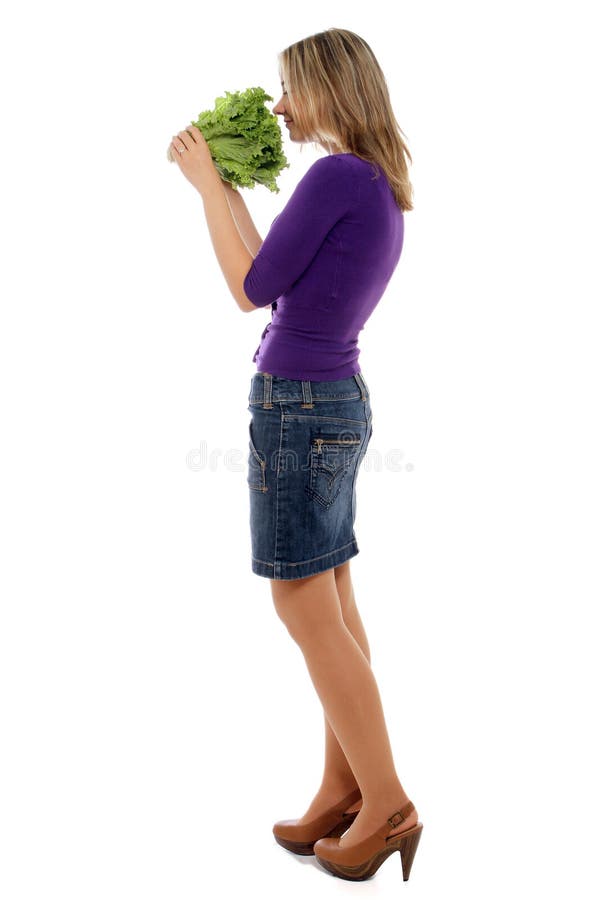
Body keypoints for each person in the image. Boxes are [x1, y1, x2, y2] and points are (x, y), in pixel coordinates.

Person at [169, 27, 422, 883]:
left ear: (328, 87)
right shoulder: (372, 183)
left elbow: (245, 288)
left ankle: (386, 803)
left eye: (290, 89)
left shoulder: (336, 175)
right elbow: (269, 273)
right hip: (334, 403)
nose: (280, 107)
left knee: (302, 604)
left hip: (300, 409)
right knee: (335, 602)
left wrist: (207, 187)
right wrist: (228, 186)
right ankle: (343, 788)